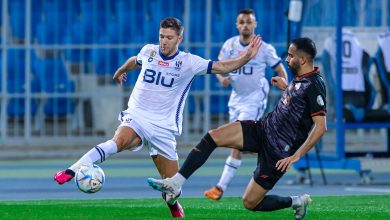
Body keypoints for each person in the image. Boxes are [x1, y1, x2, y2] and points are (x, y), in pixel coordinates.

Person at [53, 17, 262, 218]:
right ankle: (71, 170)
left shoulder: (189, 62)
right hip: (138, 115)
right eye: (161, 36)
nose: (164, 41)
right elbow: (135, 61)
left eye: (169, 37)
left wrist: (245, 58)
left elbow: (222, 66)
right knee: (119, 141)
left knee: (172, 185)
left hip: (164, 128)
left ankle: (172, 202)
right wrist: (120, 70)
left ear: (179, 39)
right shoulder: (149, 51)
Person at [148, 37, 327, 220]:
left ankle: (296, 201)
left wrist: (296, 156)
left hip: (279, 152)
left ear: (302, 60)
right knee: (212, 136)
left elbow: (321, 127)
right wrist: (286, 89)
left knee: (250, 203)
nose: (287, 60)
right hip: (264, 129)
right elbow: (297, 104)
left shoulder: (315, 85)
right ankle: (176, 183)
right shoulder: (299, 79)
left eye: (290, 56)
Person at [204, 8, 288, 201]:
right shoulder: (230, 45)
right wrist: (221, 79)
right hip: (236, 99)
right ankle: (274, 148)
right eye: (242, 22)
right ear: (236, 25)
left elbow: (280, 68)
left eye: (249, 22)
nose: (245, 25)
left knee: (237, 140)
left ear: (255, 24)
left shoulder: (264, 48)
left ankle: (220, 187)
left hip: (255, 98)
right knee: (241, 144)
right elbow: (218, 66)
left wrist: (285, 89)